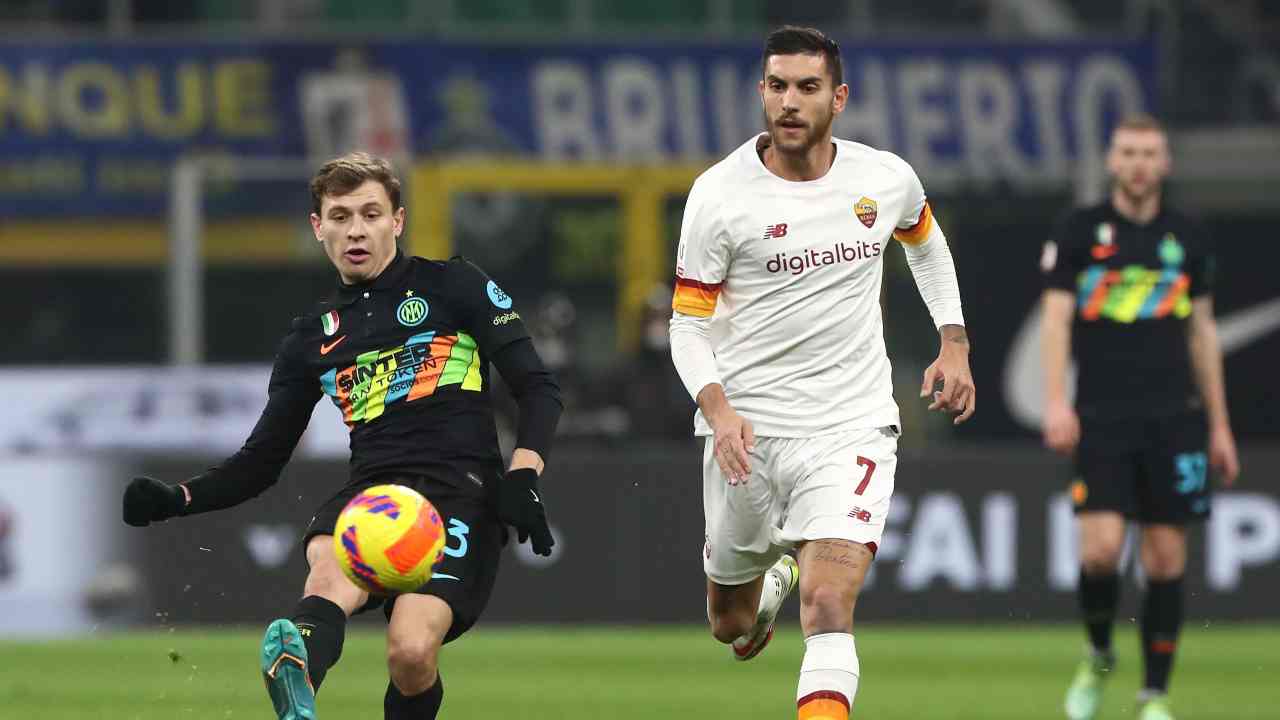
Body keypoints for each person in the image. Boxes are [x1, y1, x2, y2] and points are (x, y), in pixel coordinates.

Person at [122, 152, 562, 720]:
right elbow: (261, 462)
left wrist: (524, 474)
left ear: (397, 222)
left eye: (371, 213)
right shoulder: (310, 338)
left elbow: (538, 387)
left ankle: (312, 660)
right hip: (372, 496)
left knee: (409, 652)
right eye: (339, 216)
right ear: (318, 228)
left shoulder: (455, 285)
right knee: (327, 575)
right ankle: (297, 670)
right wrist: (178, 499)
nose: (355, 229)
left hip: (459, 492)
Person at [668, 26, 973, 720]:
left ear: (838, 97)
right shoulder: (718, 196)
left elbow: (925, 246)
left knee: (830, 600)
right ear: (761, 93)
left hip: (851, 424)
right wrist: (719, 412)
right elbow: (687, 324)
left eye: (807, 87)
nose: (789, 102)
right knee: (730, 623)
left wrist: (953, 342)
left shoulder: (882, 178)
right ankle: (766, 584)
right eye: (776, 86)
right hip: (746, 432)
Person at [1040, 114, 1240, 720]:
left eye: (1150, 153)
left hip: (1175, 417)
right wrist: (1056, 400)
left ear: (1166, 163)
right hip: (1101, 415)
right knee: (1100, 552)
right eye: (1128, 152)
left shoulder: (1189, 238)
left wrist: (1220, 425)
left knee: (1164, 561)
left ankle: (1154, 696)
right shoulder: (1080, 230)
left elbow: (1203, 335)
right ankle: (1099, 652)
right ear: (1111, 160)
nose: (1138, 163)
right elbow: (1056, 321)